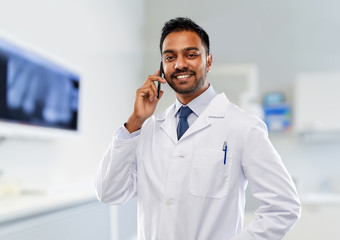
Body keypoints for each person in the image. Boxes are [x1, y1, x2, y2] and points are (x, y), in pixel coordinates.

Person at [95, 17, 301, 240]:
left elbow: (284, 207)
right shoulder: (147, 129)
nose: (180, 64)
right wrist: (135, 120)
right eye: (170, 57)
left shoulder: (243, 127)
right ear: (162, 68)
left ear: (209, 61)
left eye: (191, 54)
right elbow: (108, 192)